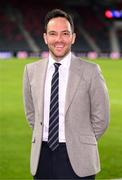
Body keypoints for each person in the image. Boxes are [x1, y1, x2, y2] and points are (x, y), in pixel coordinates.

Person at [23, 9, 110, 179]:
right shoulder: (31, 71)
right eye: (53, 34)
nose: (59, 40)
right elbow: (31, 114)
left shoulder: (91, 71)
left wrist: (81, 141)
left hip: (79, 158)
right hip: (42, 157)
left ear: (73, 37)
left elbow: (101, 118)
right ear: (45, 37)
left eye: (65, 33)